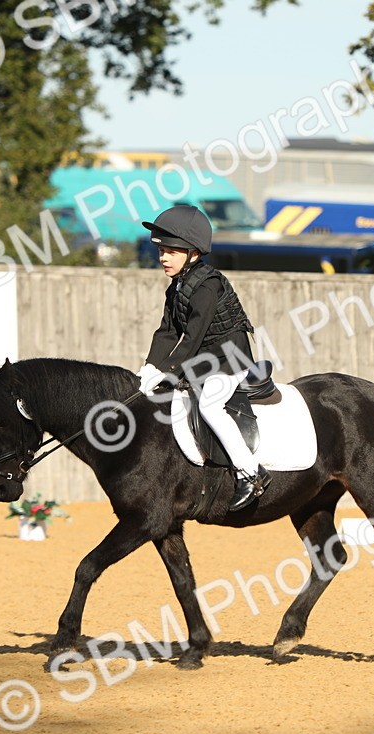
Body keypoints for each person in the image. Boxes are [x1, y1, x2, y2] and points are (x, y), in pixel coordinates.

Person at [136, 205, 271, 511]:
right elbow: (167, 332)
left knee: (210, 404)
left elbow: (193, 337)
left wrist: (168, 370)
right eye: (161, 251)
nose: (163, 258)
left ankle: (251, 473)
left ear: (193, 252)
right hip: (205, 357)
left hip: (230, 357)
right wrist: (149, 369)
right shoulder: (178, 287)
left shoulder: (208, 286)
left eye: (171, 251)